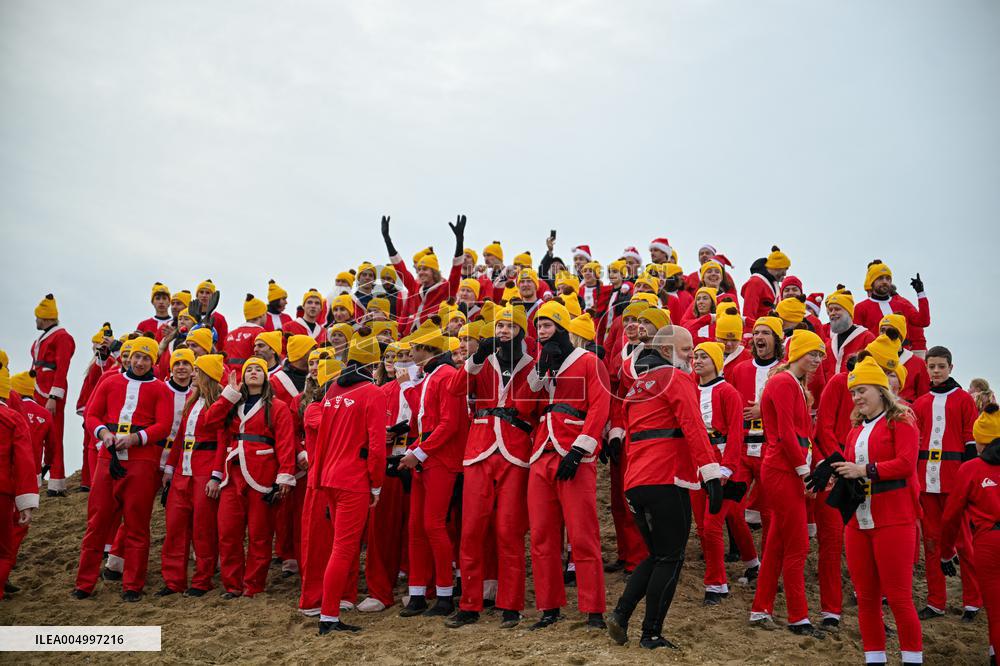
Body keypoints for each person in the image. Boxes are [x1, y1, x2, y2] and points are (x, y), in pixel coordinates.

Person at [606, 325, 722, 649]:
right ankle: (651, 633)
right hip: (665, 476)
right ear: (669, 351)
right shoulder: (676, 377)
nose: (692, 356)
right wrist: (711, 474)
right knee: (671, 558)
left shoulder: (635, 387)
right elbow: (693, 425)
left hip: (635, 481)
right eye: (687, 350)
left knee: (657, 554)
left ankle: (621, 614)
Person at [446, 305, 537, 629]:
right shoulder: (482, 361)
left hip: (516, 452)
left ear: (521, 331)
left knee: (508, 531)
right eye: (499, 325)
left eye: (510, 326)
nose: (502, 331)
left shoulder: (533, 364)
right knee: (471, 531)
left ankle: (511, 604)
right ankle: (469, 604)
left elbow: (535, 409)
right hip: (479, 450)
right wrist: (475, 359)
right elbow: (456, 390)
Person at [828, 357, 923, 666]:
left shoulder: (902, 420)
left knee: (898, 597)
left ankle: (911, 659)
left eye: (862, 390)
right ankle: (874, 659)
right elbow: (850, 469)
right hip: (859, 520)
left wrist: (863, 469)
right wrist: (833, 474)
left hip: (894, 518)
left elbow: (907, 464)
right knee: (866, 599)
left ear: (881, 390)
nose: (856, 397)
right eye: (853, 392)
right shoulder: (855, 430)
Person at [525, 301, 610, 630]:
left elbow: (600, 407)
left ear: (561, 328)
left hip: (574, 454)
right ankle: (549, 607)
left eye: (547, 326)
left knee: (583, 535)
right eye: (538, 328)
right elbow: (528, 403)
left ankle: (594, 610)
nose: (542, 332)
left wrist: (581, 449)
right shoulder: (543, 364)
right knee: (542, 538)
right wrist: (538, 370)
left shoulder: (590, 361)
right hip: (540, 453)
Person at [74, 337, 173, 601]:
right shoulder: (109, 381)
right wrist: (104, 433)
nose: (140, 362)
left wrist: (135, 439)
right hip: (108, 459)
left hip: (142, 462)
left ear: (153, 360)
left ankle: (132, 585)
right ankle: (84, 584)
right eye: (136, 357)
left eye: (146, 358)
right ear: (128, 357)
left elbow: (163, 426)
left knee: (137, 524)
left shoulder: (161, 389)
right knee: (97, 523)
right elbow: (92, 415)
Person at [749, 330, 827, 638]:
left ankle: (760, 609)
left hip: (787, 469)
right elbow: (784, 433)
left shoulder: (793, 383)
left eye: (821, 354)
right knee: (798, 545)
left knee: (779, 543)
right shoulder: (783, 382)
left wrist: (815, 466)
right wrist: (805, 472)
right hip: (782, 470)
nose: (818, 359)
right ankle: (799, 618)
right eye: (813, 353)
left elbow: (802, 435)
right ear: (798, 353)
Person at [312, 331, 387, 634]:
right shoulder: (373, 392)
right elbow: (377, 447)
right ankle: (329, 616)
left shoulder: (332, 391)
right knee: (344, 548)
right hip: (353, 479)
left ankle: (328, 613)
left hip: (329, 475)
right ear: (374, 365)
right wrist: (377, 484)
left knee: (337, 546)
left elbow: (325, 438)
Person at [203, 358, 297, 598]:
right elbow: (210, 422)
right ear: (242, 377)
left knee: (260, 535)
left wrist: (285, 476)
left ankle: (253, 586)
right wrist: (228, 396)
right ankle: (232, 585)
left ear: (266, 377)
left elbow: (286, 442)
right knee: (228, 533)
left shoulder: (277, 406)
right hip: (231, 476)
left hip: (263, 475)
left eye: (258, 370)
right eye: (249, 370)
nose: (253, 373)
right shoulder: (233, 403)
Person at [397, 320, 466, 618]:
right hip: (427, 458)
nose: (410, 353)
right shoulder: (433, 376)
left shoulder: (445, 375)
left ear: (426, 349)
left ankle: (444, 595)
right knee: (417, 526)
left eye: (414, 348)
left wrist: (419, 451)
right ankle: (417, 593)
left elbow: (450, 423)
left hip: (440, 459)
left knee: (433, 525)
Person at [912, 346, 982, 620]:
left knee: (963, 541)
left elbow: (970, 441)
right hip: (926, 480)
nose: (937, 371)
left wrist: (968, 480)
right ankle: (935, 601)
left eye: (942, 366)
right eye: (932, 367)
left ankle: (972, 601)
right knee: (931, 542)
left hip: (954, 481)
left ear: (951, 368)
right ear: (927, 368)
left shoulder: (964, 399)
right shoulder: (920, 403)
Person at [689, 342, 757, 606]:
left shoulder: (728, 391)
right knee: (716, 523)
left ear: (716, 361)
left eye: (704, 357)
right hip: (698, 464)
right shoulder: (690, 389)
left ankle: (716, 584)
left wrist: (727, 468)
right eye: (695, 356)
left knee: (713, 524)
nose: (698, 361)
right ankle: (753, 563)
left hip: (725, 464)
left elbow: (736, 434)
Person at [159, 354, 226, 596]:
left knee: (203, 529)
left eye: (198, 370)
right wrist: (170, 468)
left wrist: (216, 475)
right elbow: (179, 439)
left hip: (204, 470)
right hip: (182, 473)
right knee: (175, 527)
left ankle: (201, 581)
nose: (193, 373)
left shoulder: (218, 403)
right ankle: (173, 581)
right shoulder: (191, 401)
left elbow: (222, 441)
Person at [940, 404, 1000, 663]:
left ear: (980, 442)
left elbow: (951, 517)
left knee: (997, 613)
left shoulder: (971, 468)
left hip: (990, 542)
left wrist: (945, 553)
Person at [381, 215, 465, 333]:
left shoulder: (445, 288)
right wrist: (387, 240)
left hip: (431, 336)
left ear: (434, 271)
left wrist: (459, 242)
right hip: (409, 336)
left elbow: (456, 271)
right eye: (419, 269)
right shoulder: (414, 286)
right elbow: (400, 267)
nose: (420, 272)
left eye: (425, 269)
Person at [29, 294, 75, 496]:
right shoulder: (43, 337)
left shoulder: (62, 337)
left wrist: (53, 397)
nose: (36, 321)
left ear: (46, 318)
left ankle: (57, 482)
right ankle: (35, 478)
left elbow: (62, 368)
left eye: (38, 317)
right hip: (38, 388)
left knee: (54, 435)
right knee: (38, 433)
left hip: (51, 392)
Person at [0, 364, 37, 601]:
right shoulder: (13, 418)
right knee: (3, 551)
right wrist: (26, 502)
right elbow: (25, 462)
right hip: (3, 492)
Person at [854, 261, 930, 357]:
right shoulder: (860, 308)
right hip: (876, 358)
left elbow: (924, 321)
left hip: (903, 358)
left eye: (888, 278)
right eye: (880, 278)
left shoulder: (902, 304)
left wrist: (920, 293)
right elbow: (857, 339)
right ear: (872, 282)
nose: (885, 281)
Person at [878, 314, 930, 402]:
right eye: (882, 330)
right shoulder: (871, 359)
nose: (885, 335)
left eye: (891, 331)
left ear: (901, 335)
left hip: (907, 412)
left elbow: (924, 398)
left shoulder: (917, 363)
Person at [824, 287, 875, 375]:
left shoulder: (867, 338)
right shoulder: (829, 345)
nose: (832, 313)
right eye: (830, 310)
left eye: (837, 309)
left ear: (849, 312)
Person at [741, 247, 790, 328]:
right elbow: (749, 312)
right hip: (758, 332)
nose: (785, 274)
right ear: (776, 267)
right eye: (784, 269)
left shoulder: (775, 286)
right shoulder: (755, 282)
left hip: (772, 331)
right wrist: (748, 335)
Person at [223, 294, 268, 373]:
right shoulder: (260, 333)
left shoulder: (230, 334)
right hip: (248, 380)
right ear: (262, 315)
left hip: (229, 380)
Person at [270, 335, 317, 406]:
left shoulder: (316, 376)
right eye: (313, 349)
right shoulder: (274, 382)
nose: (316, 352)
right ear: (301, 352)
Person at [192, 280, 229, 350]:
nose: (204, 295)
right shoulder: (190, 315)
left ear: (213, 297)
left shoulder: (219, 318)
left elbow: (222, 342)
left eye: (208, 293)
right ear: (197, 295)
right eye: (201, 292)